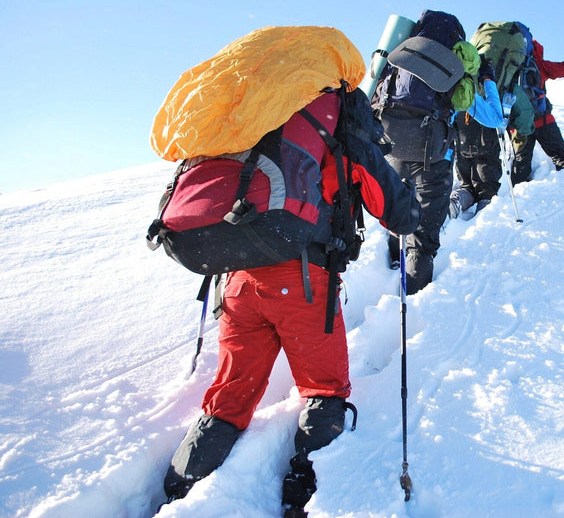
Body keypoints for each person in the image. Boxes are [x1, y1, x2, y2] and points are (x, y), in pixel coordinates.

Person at [162, 89, 421, 517]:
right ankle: (306, 492)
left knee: (229, 396)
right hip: (302, 282)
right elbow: (392, 206)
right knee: (324, 389)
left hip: (238, 278)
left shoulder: (252, 113)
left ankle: (180, 486)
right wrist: (407, 209)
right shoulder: (332, 117)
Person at [371, 9, 479, 294]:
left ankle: (395, 258)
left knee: (397, 208)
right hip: (432, 151)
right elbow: (464, 101)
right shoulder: (456, 55)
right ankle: (417, 295)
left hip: (391, 142)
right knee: (425, 232)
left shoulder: (402, 49)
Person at [511, 39, 564, 185]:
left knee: (521, 165)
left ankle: (518, 198)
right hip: (542, 120)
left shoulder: (508, 68)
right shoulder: (537, 64)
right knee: (561, 159)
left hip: (519, 125)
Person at [449, 55, 506, 217]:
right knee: (487, 187)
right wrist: (489, 80)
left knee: (466, 185)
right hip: (485, 136)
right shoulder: (474, 86)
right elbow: (495, 119)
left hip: (461, 142)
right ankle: (485, 213)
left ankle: (457, 201)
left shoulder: (448, 81)